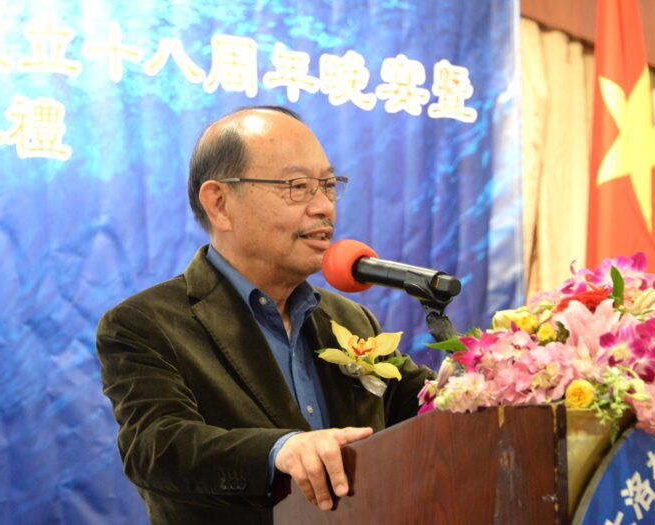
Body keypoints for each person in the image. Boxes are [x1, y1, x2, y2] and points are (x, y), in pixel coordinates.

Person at [95, 105, 433, 524]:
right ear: (219, 204)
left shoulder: (349, 320)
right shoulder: (146, 324)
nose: (323, 207)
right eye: (297, 187)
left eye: (328, 186)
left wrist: (472, 387)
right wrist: (280, 451)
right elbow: (157, 447)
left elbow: (421, 404)